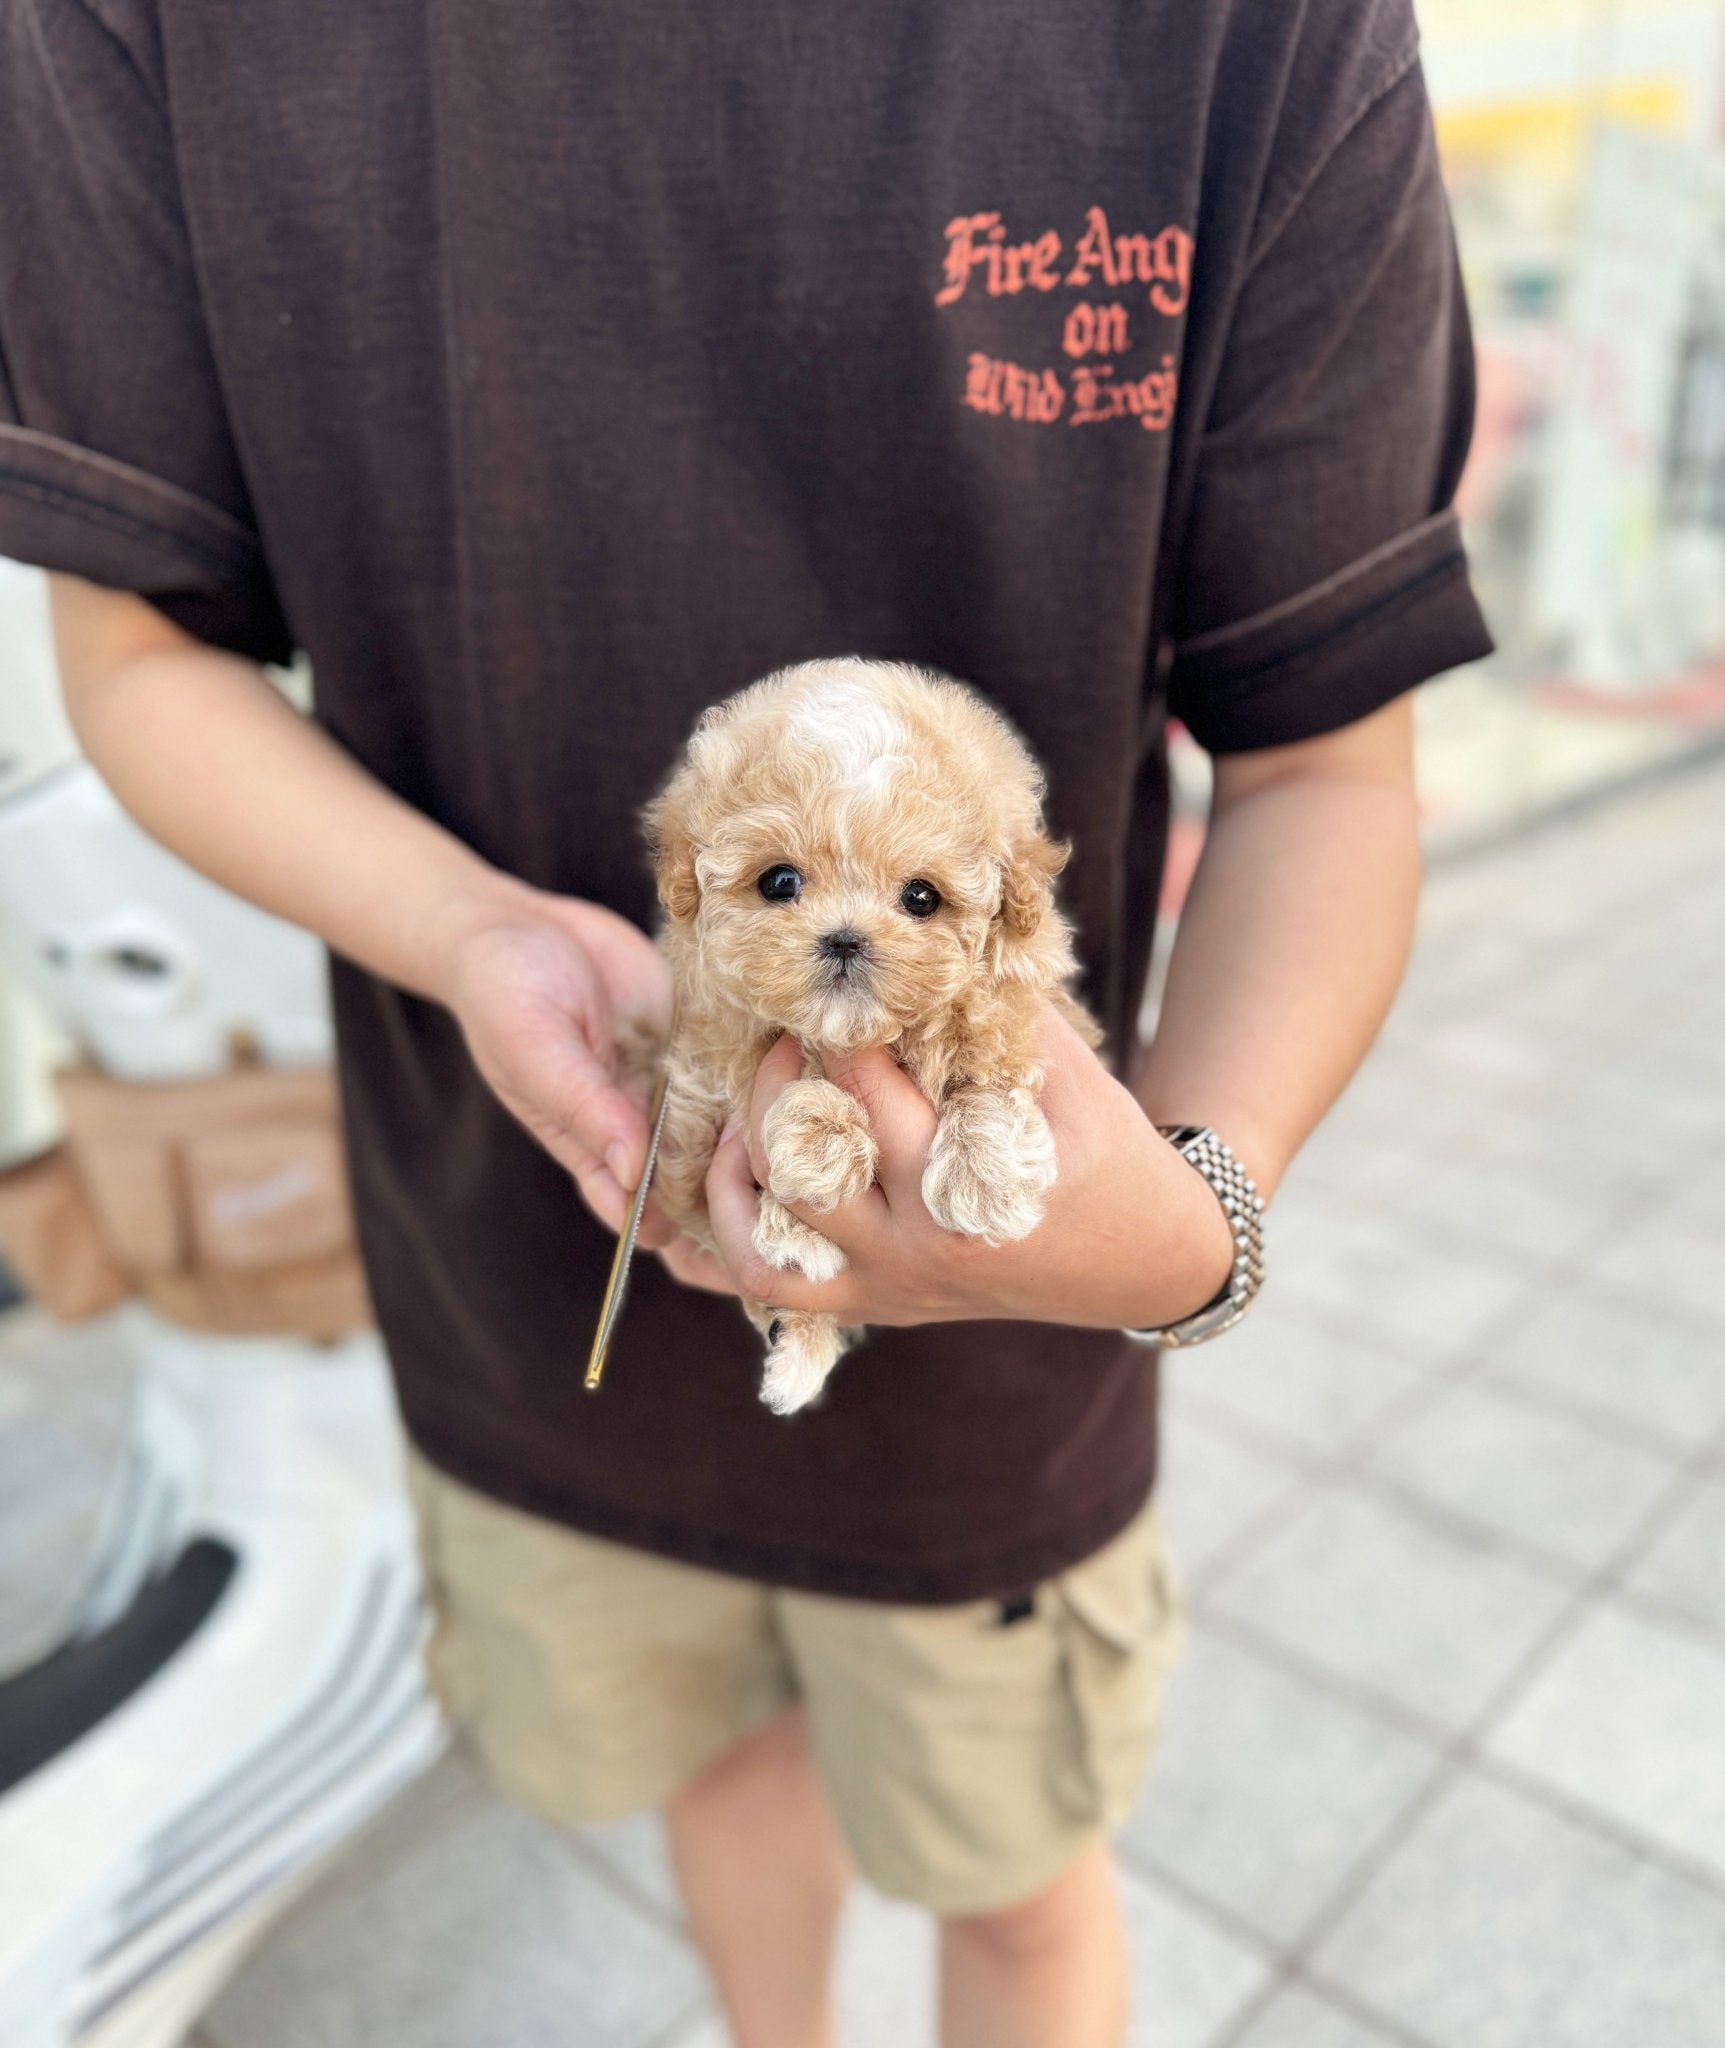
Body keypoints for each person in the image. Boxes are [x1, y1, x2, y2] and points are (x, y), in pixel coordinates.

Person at [0, 1, 1492, 2041]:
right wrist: (472, 935)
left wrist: (1186, 1222)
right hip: (528, 1272)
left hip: (1011, 1332)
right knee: (715, 1778)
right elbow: (134, 635)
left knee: (1021, 1882)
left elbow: (1324, 756)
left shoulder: (1237, 35)